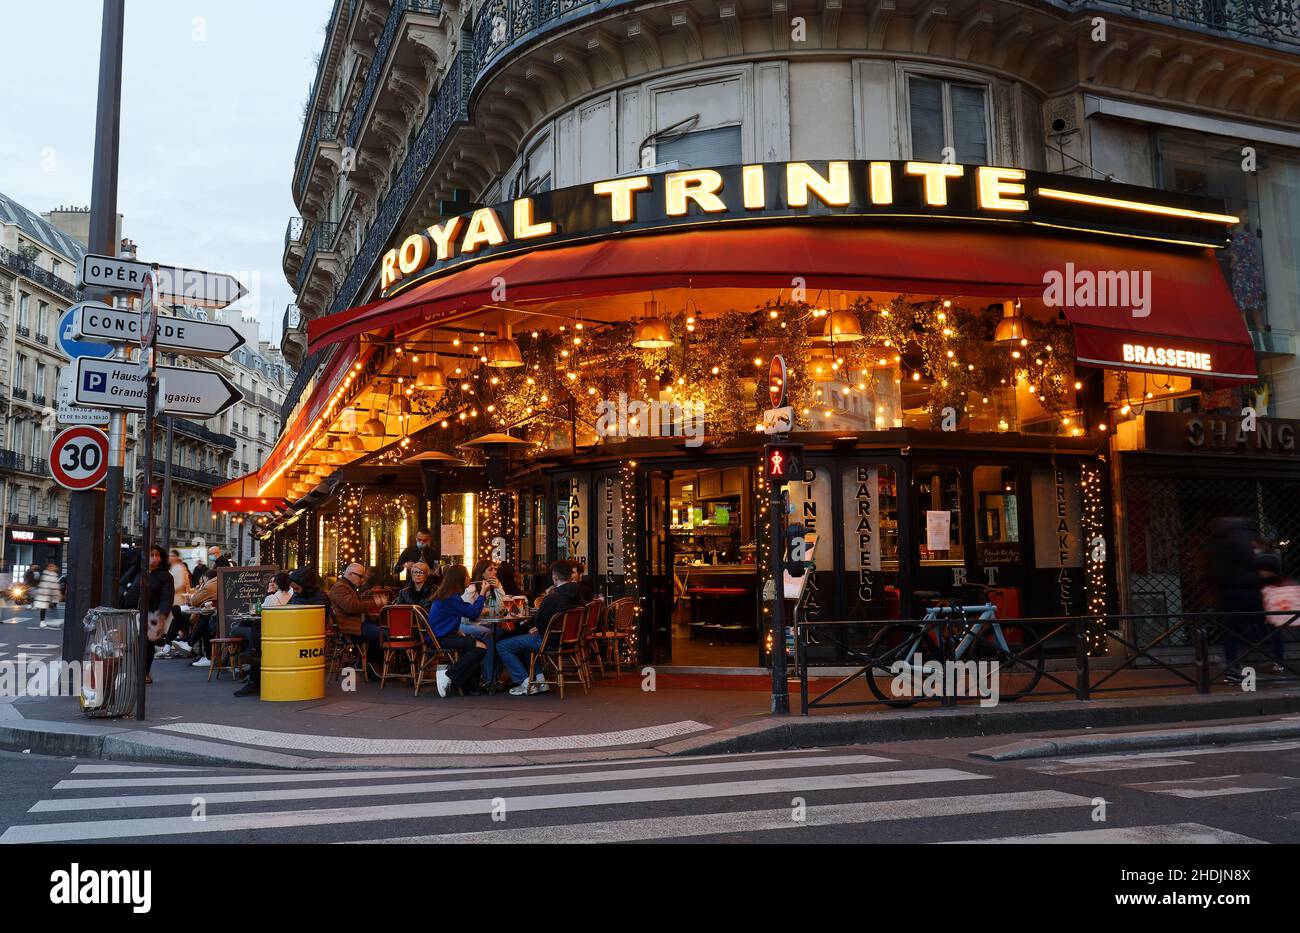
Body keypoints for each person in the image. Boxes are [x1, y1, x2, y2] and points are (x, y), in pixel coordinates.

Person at [498, 559, 587, 696]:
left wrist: (515, 632)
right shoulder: (578, 595)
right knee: (527, 640)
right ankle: (540, 680)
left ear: (554, 577)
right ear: (570, 576)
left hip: (549, 641)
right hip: (568, 640)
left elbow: (537, 622)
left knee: (502, 645)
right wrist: (540, 628)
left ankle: (525, 682)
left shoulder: (553, 598)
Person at [1206, 517, 1269, 684]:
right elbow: (1259, 560)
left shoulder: (1218, 541)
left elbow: (1214, 568)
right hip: (1250, 589)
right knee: (1260, 623)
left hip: (1229, 590)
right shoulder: (1249, 538)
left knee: (1231, 629)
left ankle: (1232, 664)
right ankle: (1245, 657)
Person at [424, 564, 488, 697]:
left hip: (442, 635)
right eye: (466, 577)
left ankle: (470, 687)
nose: (469, 579)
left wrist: (457, 630)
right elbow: (473, 613)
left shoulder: (447, 595)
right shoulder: (451, 597)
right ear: (460, 579)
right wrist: (482, 593)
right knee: (480, 648)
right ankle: (449, 675)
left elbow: (446, 618)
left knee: (478, 642)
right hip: (441, 638)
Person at [124, 546, 174, 685]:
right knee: (136, 645)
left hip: (152, 614)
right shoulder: (137, 571)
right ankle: (139, 672)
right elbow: (122, 584)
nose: (154, 558)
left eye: (157, 555)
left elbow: (167, 597)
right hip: (132, 613)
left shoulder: (165, 576)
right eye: (151, 555)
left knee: (146, 644)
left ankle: (144, 672)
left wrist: (162, 614)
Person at [329, 562, 381, 675]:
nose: (362, 580)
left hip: (355, 625)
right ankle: (371, 666)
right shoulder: (340, 587)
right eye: (360, 576)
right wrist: (375, 603)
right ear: (350, 574)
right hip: (350, 628)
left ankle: (367, 664)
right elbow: (351, 607)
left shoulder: (347, 586)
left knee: (383, 632)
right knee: (382, 635)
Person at [464, 561, 506, 690]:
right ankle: (489, 679)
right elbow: (466, 613)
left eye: (495, 569)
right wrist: (484, 609)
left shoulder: (495, 587)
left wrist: (499, 587)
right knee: (491, 635)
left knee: (504, 637)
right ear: (481, 573)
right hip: (469, 625)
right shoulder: (472, 588)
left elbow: (503, 606)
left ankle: (495, 677)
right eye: (490, 570)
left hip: (489, 624)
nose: (494, 572)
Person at [33, 563, 60, 628]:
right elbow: (49, 585)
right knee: (44, 608)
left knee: (51, 607)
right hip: (44, 594)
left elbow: (55, 585)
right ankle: (42, 621)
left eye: (54, 567)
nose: (54, 568)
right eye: (52, 567)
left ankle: (49, 620)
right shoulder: (46, 574)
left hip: (49, 594)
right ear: (49, 567)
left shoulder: (53, 574)